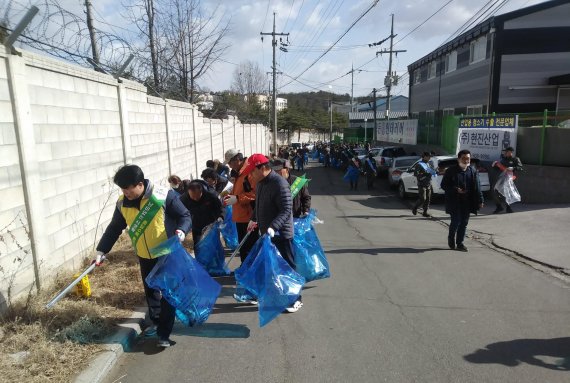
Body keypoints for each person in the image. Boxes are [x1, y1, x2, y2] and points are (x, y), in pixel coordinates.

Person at [94, 165, 191, 348]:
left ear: (139, 184)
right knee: (151, 292)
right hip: (144, 254)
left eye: (127, 189)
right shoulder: (122, 203)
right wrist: (101, 251)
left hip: (166, 253)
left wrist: (181, 231)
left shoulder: (163, 195)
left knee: (168, 293)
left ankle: (164, 334)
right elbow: (115, 227)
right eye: (122, 189)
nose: (125, 193)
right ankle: (156, 322)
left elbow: (184, 215)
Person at [246, 154, 302, 313]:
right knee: (267, 266)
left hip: (282, 234)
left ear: (263, 168)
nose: (251, 174)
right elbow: (259, 204)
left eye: (253, 171)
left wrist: (273, 227)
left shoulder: (280, 184)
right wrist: (253, 219)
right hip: (267, 234)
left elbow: (285, 210)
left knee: (287, 268)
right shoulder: (261, 184)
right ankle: (265, 294)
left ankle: (296, 299)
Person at [441, 150, 484, 252]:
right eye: (463, 158)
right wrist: (455, 190)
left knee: (464, 223)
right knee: (456, 221)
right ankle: (451, 238)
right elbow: (444, 185)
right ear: (458, 159)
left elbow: (478, 187)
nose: (466, 160)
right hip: (454, 201)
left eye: (468, 158)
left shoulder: (472, 171)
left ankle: (460, 243)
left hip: (467, 202)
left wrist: (480, 200)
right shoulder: (451, 171)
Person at [222, 149, 259, 264]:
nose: (229, 166)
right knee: (244, 247)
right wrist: (230, 196)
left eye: (229, 163)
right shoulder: (240, 172)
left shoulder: (249, 172)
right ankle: (245, 269)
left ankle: (250, 271)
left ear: (237, 160)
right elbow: (240, 190)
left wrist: (237, 198)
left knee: (249, 247)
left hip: (249, 217)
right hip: (241, 215)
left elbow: (255, 194)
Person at [179, 179, 223, 245]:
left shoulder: (211, 195)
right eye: (193, 197)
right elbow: (180, 213)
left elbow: (220, 207)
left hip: (211, 224)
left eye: (197, 196)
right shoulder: (183, 199)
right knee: (198, 245)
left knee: (213, 244)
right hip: (196, 225)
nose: (195, 199)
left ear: (201, 191)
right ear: (189, 192)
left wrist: (221, 216)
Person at [492, 147, 523, 214]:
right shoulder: (502, 160)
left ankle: (508, 208)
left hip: (511, 178)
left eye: (510, 152)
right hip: (502, 178)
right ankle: (499, 206)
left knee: (508, 192)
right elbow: (498, 169)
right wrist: (494, 165)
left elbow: (520, 168)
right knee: (495, 190)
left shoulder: (515, 159)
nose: (509, 153)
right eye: (508, 152)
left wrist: (513, 168)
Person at [412, 152, 437, 217]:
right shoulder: (419, 164)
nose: (429, 157)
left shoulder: (428, 164)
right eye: (428, 156)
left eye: (430, 156)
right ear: (424, 156)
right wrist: (424, 174)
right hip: (421, 184)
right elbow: (415, 174)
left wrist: (435, 171)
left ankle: (425, 212)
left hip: (428, 183)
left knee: (428, 199)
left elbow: (431, 172)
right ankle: (415, 207)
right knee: (423, 198)